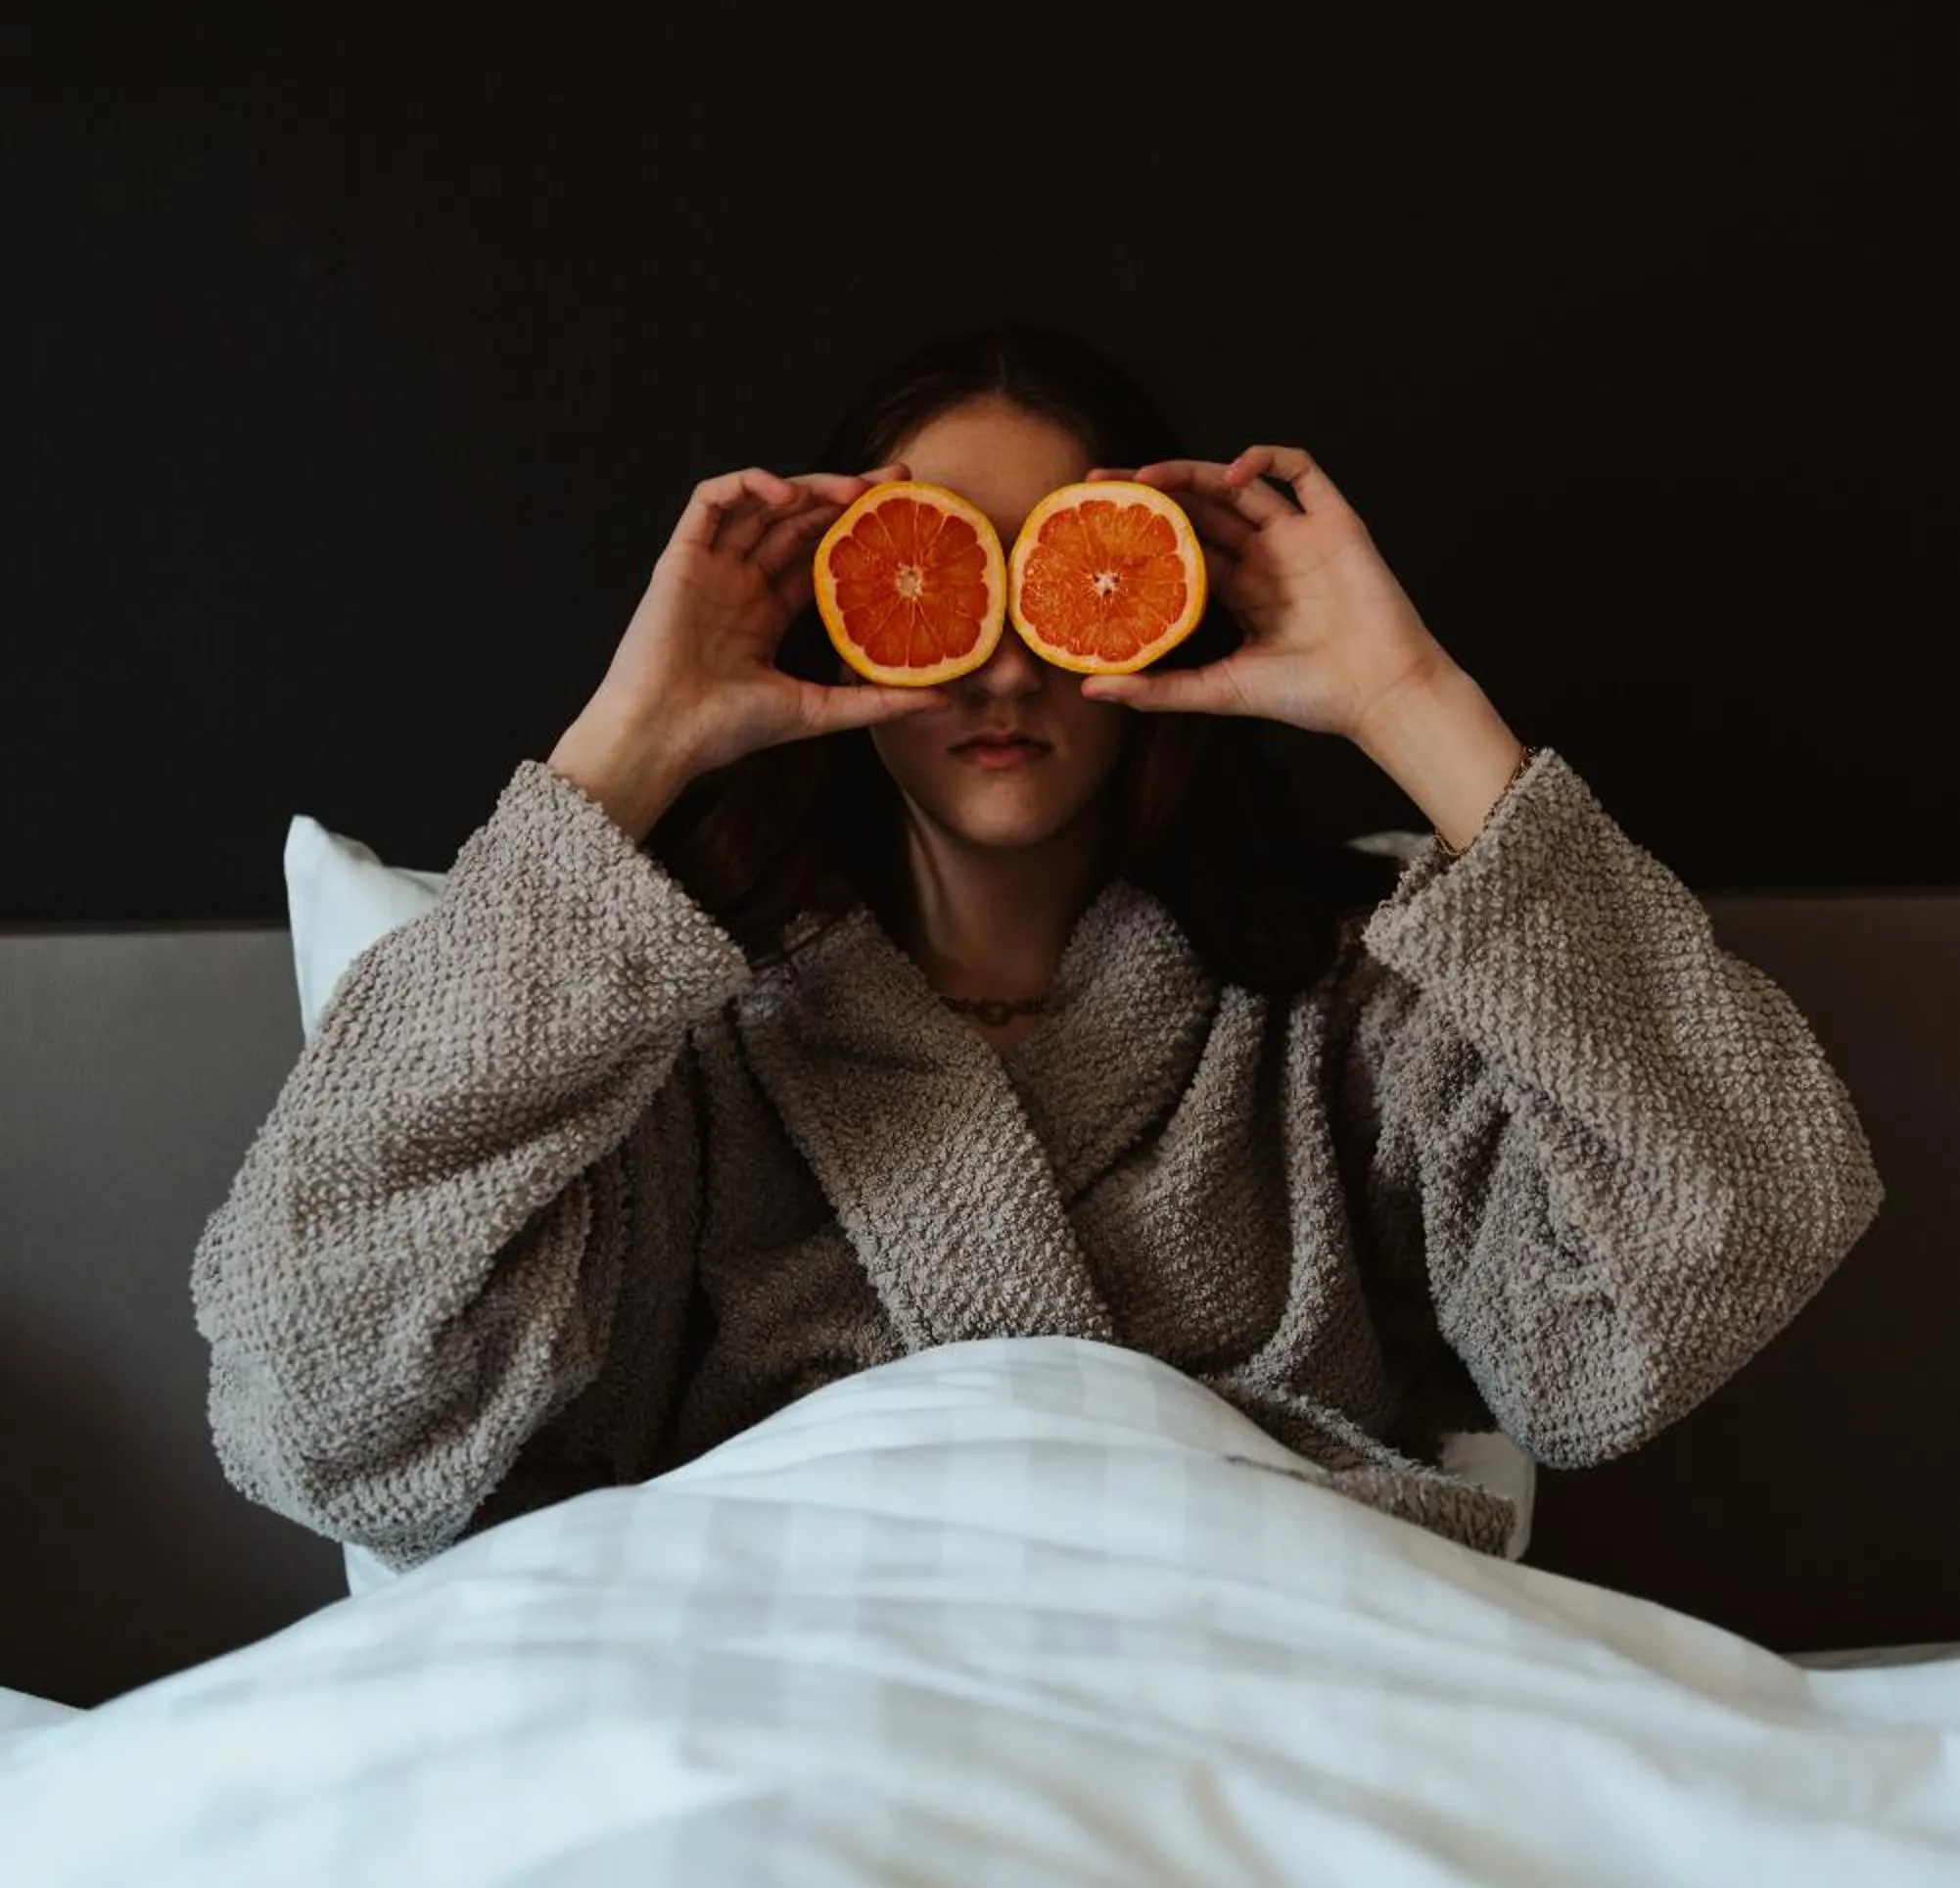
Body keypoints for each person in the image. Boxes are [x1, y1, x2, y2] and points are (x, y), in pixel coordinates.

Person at [191, 319, 1886, 1578]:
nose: (1003, 668)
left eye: (1060, 579)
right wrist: (626, 749)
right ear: (834, 610)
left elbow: (1718, 1233)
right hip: (782, 1683)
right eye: (939, 580)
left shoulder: (1346, 1004)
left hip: (1272, 1673)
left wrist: (1409, 705)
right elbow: (321, 1398)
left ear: (1163, 605)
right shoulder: (665, 1036)